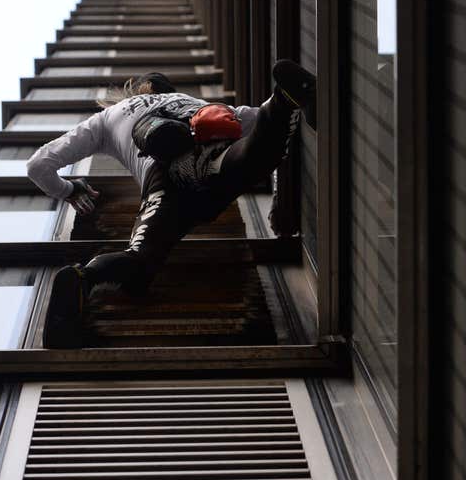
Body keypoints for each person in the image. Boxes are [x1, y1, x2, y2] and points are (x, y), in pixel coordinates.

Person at [27, 60, 315, 347]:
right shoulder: (188, 101)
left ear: (137, 89)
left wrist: (69, 189)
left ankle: (82, 277)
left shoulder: (105, 118)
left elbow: (37, 165)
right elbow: (257, 119)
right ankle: (284, 99)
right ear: (165, 89)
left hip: (164, 183)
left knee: (140, 260)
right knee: (252, 156)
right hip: (210, 149)